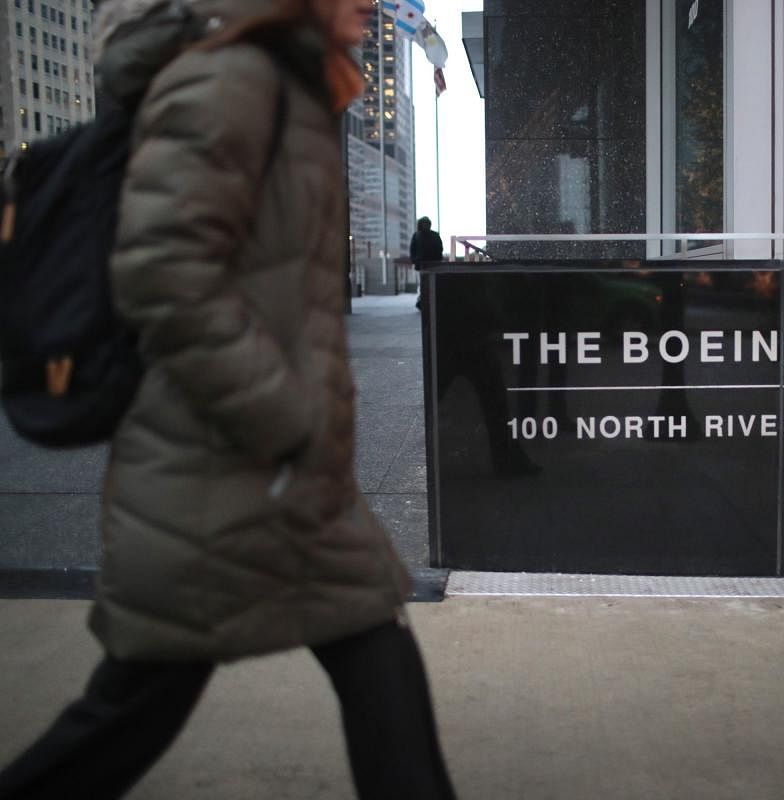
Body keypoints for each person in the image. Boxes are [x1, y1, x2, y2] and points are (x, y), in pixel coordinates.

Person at [0, 1, 456, 799]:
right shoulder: (233, 81)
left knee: (373, 654)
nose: (369, 4)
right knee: (129, 714)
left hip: (275, 472)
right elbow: (164, 275)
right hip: (218, 468)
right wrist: (283, 418)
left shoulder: (288, 84)